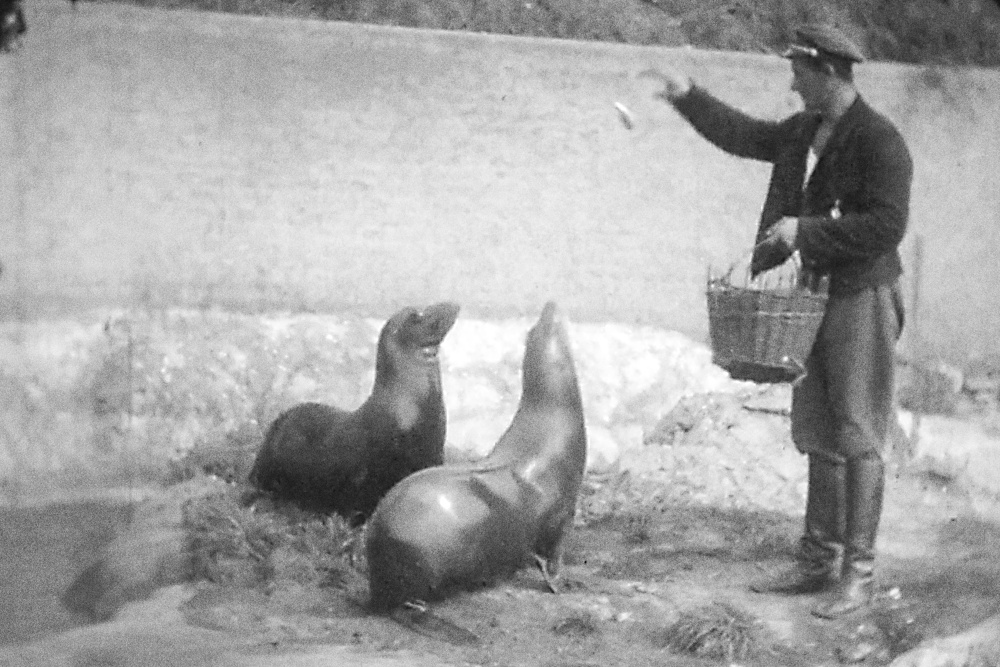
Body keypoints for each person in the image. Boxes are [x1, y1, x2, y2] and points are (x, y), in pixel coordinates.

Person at [643, 24, 912, 620]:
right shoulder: (803, 131)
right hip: (813, 297)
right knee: (817, 426)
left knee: (859, 431)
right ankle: (817, 560)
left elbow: (886, 227)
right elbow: (743, 135)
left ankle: (858, 575)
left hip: (862, 295)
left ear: (828, 72)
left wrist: (804, 232)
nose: (791, 85)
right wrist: (688, 95)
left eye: (799, 73)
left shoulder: (879, 141)